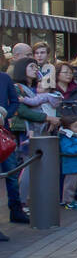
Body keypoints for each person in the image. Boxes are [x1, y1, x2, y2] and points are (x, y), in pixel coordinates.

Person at [0, 66, 28, 230]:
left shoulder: (4, 78)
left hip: (4, 133)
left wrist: (4, 114)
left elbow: (14, 102)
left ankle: (16, 210)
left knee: (11, 172)